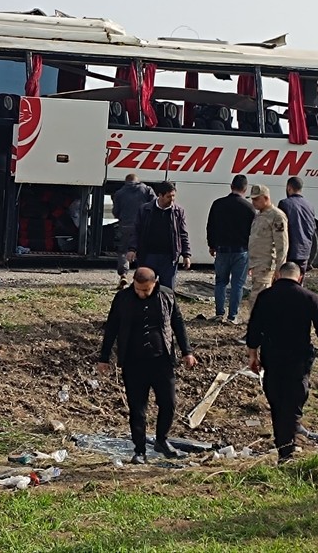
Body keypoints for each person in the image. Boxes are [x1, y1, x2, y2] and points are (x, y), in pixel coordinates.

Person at [96, 267, 197, 464]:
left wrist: (187, 352)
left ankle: (161, 440)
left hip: (162, 360)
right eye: (138, 289)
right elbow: (112, 327)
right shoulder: (123, 299)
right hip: (133, 362)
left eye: (146, 290)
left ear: (155, 283)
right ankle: (139, 450)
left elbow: (178, 323)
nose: (141, 294)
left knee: (168, 403)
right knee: (138, 409)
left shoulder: (167, 296)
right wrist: (104, 357)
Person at [245, 262, 318, 463]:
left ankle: (283, 446)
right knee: (294, 402)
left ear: (278, 275)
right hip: (298, 360)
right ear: (299, 278)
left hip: (273, 357)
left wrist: (252, 354)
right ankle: (287, 449)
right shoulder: (309, 298)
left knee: (277, 402)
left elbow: (254, 326)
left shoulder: (265, 296)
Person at [206, 175, 256, 324]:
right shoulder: (249, 208)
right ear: (245, 189)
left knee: (220, 282)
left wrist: (212, 245)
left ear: (231, 186)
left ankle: (219, 313)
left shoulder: (218, 204)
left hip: (221, 250)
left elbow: (211, 226)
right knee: (237, 285)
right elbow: (253, 232)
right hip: (241, 251)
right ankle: (232, 316)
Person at [127, 182, 191, 290]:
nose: (172, 199)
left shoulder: (178, 212)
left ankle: (165, 307)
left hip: (169, 258)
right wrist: (132, 249)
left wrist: (186, 255)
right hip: (148, 256)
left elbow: (183, 234)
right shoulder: (145, 210)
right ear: (160, 195)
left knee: (167, 290)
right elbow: (136, 231)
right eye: (168, 196)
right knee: (145, 287)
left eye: (173, 196)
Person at [112, 174, 156, 290]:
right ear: (138, 181)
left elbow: (116, 212)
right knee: (142, 251)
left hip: (125, 225)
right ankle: (141, 278)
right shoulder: (147, 190)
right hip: (143, 226)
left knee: (123, 251)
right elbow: (155, 206)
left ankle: (123, 275)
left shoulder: (119, 193)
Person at [247, 184, 289, 302]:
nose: (254, 202)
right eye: (252, 199)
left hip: (266, 264)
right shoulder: (260, 215)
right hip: (257, 264)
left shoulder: (276, 216)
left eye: (256, 199)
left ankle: (257, 320)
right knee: (257, 297)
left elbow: (282, 243)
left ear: (266, 198)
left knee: (259, 298)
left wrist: (280, 268)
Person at [278, 176, 317, 273]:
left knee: (286, 281)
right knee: (299, 282)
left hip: (290, 251)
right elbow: (312, 228)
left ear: (289, 188)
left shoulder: (284, 204)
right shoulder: (310, 206)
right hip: (304, 252)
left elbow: (280, 228)